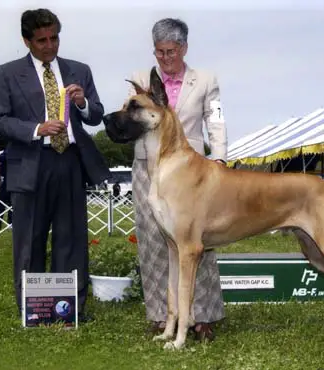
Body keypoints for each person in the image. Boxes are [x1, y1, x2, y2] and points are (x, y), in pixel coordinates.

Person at [0, 8, 110, 320]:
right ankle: (32, 310)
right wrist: (36, 129)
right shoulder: (6, 73)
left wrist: (83, 103)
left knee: (71, 238)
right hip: (30, 162)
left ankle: (69, 309)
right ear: (26, 41)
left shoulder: (78, 70)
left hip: (70, 161)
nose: (50, 45)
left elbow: (96, 115)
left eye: (54, 37)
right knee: (29, 239)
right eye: (41, 40)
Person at [129, 18, 228, 341]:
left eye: (171, 51)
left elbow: (216, 119)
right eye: (159, 52)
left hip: (192, 169)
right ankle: (162, 315)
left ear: (184, 48)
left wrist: (221, 157)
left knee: (199, 244)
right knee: (153, 243)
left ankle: (204, 316)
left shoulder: (205, 80)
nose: (165, 58)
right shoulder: (143, 79)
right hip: (149, 167)